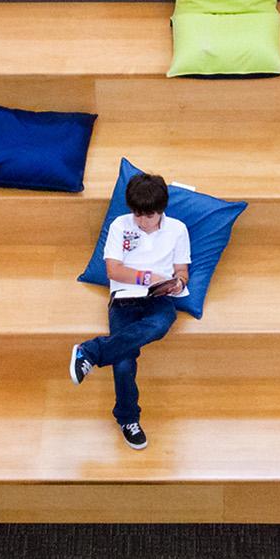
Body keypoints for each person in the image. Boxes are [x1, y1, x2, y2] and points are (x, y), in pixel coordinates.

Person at [68, 173, 191, 451]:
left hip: (159, 299)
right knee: (123, 363)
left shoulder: (178, 230)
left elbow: (183, 270)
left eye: (148, 215)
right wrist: (149, 277)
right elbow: (114, 270)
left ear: (161, 210)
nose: (141, 221)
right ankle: (128, 419)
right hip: (124, 297)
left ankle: (91, 351)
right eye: (137, 214)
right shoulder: (120, 225)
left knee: (162, 323)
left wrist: (177, 283)